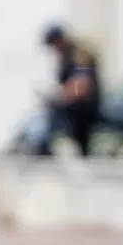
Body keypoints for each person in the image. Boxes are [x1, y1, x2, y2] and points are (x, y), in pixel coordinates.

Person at [40, 25, 101, 156]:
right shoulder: (64, 57)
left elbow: (82, 86)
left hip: (83, 111)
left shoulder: (80, 54)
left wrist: (58, 97)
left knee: (81, 148)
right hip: (71, 108)